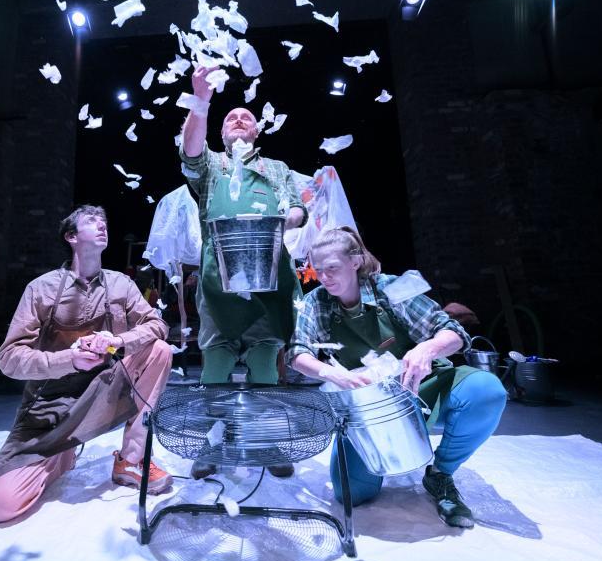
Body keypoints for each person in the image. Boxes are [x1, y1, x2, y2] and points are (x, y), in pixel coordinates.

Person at [288, 226, 507, 528]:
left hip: (420, 390)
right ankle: (365, 457)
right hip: (367, 407)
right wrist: (333, 373)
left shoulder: (392, 287)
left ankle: (441, 474)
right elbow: (298, 354)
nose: (325, 277)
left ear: (354, 261)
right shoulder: (316, 302)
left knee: (487, 390)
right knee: (352, 494)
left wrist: (428, 349)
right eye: (319, 270)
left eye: (333, 268)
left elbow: (455, 333)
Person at [0, 205, 174, 523]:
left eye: (104, 220)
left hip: (103, 389)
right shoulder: (41, 289)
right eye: (91, 221)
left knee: (160, 350)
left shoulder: (120, 285)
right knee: (3, 507)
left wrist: (119, 341)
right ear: (71, 236)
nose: (102, 225)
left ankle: (131, 460)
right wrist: (69, 359)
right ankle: (60, 452)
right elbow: (9, 358)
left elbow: (157, 325)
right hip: (49, 407)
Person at [179, 66, 308, 479]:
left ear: (257, 132)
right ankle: (212, 443)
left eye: (246, 118)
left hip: (269, 278)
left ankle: (266, 439)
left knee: (266, 363)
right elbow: (191, 152)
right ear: (221, 133)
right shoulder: (212, 166)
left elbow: (296, 205)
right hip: (219, 280)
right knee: (215, 364)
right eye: (230, 117)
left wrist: (291, 217)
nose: (238, 120)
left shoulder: (278, 168)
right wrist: (200, 102)